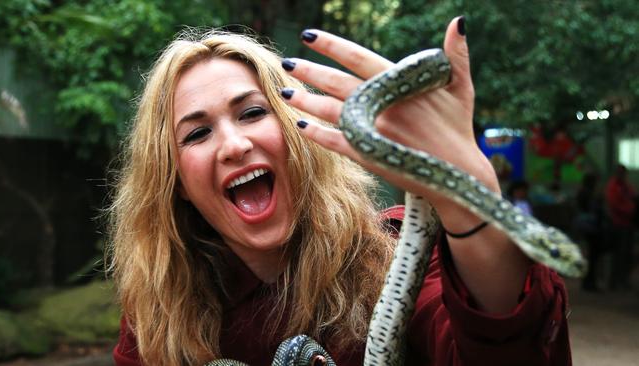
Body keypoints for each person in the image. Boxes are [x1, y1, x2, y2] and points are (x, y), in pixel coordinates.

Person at [108, 17, 571, 366]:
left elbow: (505, 347)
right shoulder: (157, 318)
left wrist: (469, 198)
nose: (234, 145)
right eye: (196, 134)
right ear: (177, 183)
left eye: (252, 113)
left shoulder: (399, 251)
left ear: (299, 133)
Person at [605, 164, 636, 290]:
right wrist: (631, 210)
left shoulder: (626, 186)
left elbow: (633, 196)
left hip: (628, 224)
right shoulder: (613, 186)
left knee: (627, 255)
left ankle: (623, 280)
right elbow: (614, 204)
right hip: (618, 224)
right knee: (618, 254)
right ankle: (614, 282)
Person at [574, 172, 606, 292]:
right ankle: (589, 282)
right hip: (591, 228)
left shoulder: (584, 193)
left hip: (588, 228)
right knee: (592, 257)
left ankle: (589, 282)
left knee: (590, 257)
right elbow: (593, 210)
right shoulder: (588, 194)